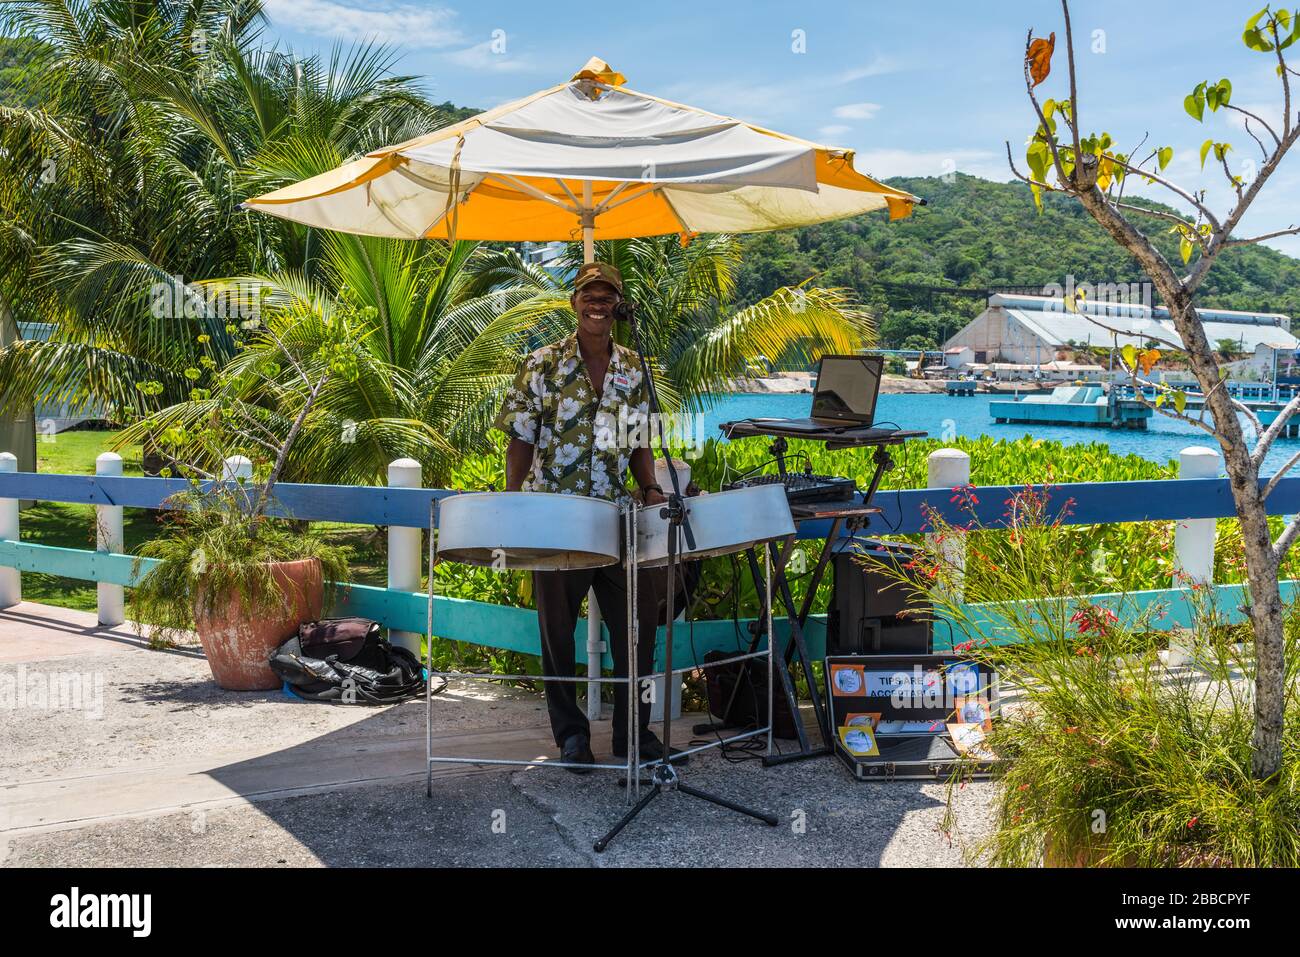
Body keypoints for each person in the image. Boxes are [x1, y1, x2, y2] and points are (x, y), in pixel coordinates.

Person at [493, 261, 685, 773]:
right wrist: (513, 501)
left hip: (615, 518)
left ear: (618, 307)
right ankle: (571, 737)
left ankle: (632, 736)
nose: (597, 304)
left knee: (636, 628)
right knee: (557, 633)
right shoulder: (542, 363)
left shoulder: (634, 367)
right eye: (588, 296)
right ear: (573, 302)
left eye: (606, 297)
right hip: (554, 515)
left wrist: (648, 487)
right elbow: (520, 438)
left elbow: (640, 439)